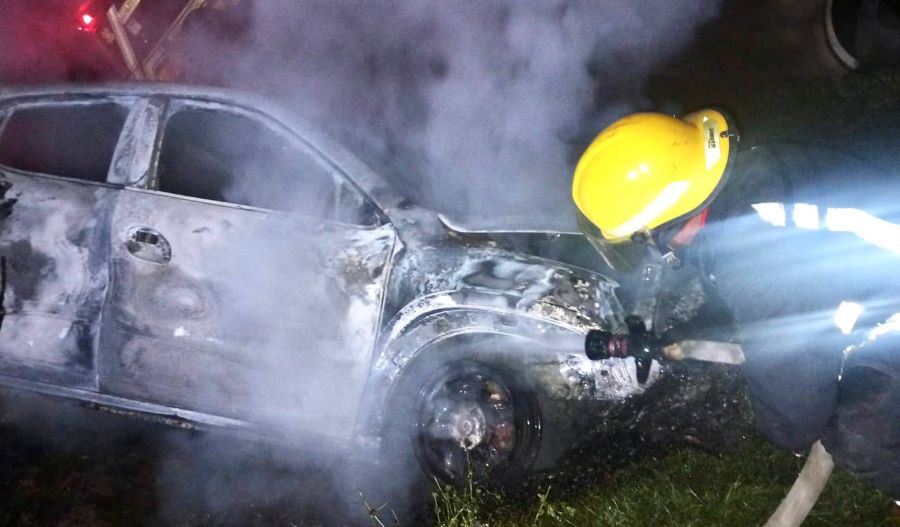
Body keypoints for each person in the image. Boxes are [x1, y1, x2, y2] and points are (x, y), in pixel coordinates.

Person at [571, 109, 900, 496]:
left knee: (857, 430)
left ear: (669, 223)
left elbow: (794, 419)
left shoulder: (754, 256)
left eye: (644, 241)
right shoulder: (751, 178)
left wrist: (769, 417)